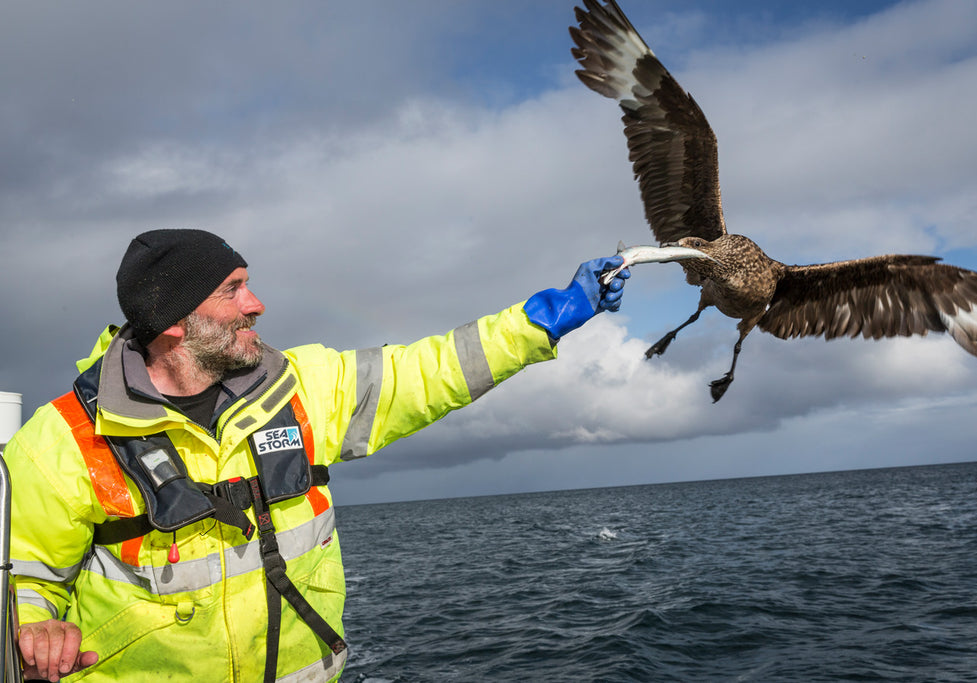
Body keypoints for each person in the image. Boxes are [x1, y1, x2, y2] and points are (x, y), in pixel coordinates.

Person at [4, 229, 629, 682]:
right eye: (234, 290)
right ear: (175, 321)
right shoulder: (61, 439)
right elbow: (27, 577)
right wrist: (37, 628)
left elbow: (429, 371)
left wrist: (545, 320)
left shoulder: (301, 387)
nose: (257, 304)